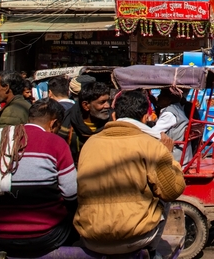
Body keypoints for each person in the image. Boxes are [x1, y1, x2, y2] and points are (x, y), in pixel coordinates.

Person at [74, 89, 186, 256]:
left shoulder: (90, 143)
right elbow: (172, 191)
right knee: (164, 198)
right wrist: (169, 157)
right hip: (134, 239)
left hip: (91, 237)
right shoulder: (151, 144)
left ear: (114, 116)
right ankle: (152, 251)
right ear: (144, 118)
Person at [0, 100, 78, 257]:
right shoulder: (56, 143)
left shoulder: (2, 139)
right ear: (54, 123)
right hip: (46, 236)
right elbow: (71, 193)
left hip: (2, 235)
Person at [58, 81, 111, 163]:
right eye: (102, 102)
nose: (107, 106)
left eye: (108, 101)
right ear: (86, 105)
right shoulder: (66, 123)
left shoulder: (113, 121)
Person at [150, 87, 190, 163]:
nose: (158, 97)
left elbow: (153, 133)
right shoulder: (177, 108)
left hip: (174, 156)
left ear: (168, 99)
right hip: (183, 155)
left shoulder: (169, 113)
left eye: (161, 95)